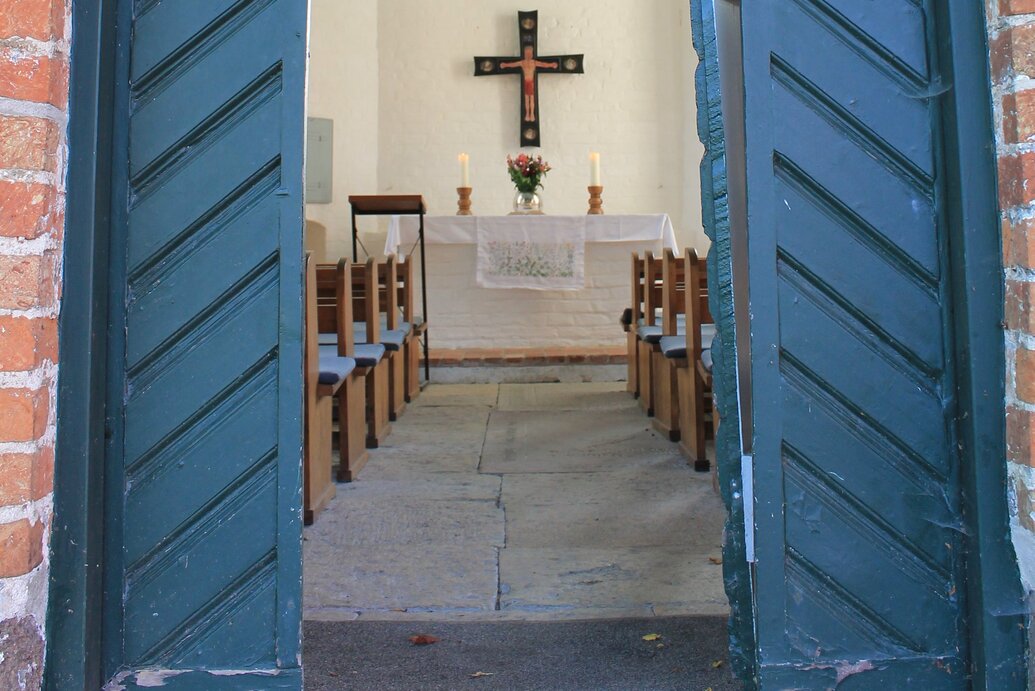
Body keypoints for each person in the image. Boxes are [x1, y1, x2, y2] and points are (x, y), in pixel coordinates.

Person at [501, 45, 558, 122]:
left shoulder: (534, 62)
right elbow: (513, 65)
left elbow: (543, 64)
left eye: (529, 53)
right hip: (526, 82)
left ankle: (532, 114)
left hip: (531, 82)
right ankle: (527, 114)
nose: (528, 55)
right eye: (526, 53)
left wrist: (551, 65)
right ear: (524, 54)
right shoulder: (522, 62)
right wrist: (505, 65)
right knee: (526, 99)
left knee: (532, 99)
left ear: (532, 54)